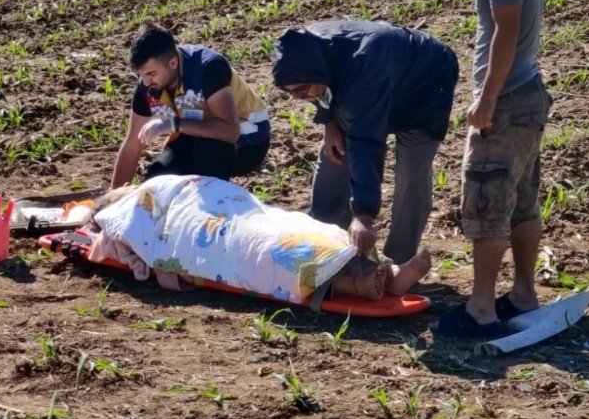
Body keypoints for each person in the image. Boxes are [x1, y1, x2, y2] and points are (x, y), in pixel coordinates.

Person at [436, 0, 550, 339]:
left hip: (505, 100)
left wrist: (486, 99)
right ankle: (522, 293)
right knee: (522, 200)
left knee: (487, 199)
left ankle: (481, 308)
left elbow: (506, 27)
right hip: (527, 94)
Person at [271, 19, 458, 264]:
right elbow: (324, 90)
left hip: (426, 85)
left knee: (412, 173)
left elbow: (367, 144)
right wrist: (329, 121)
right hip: (376, 76)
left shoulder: (362, 70)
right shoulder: (306, 49)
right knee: (335, 151)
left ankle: (398, 262)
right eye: (290, 92)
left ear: (316, 73)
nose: (298, 98)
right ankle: (323, 248)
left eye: (302, 90)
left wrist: (364, 215)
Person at [88, 174, 431, 304]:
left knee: (300, 228)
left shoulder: (164, 181)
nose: (123, 187)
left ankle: (388, 273)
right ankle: (353, 284)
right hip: (213, 229)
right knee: (268, 248)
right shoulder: (130, 205)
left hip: (240, 209)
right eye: (117, 191)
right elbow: (124, 227)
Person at [111, 23, 270, 188]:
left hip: (248, 141)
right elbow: (131, 146)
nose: (145, 82)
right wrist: (113, 201)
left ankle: (217, 206)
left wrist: (174, 124)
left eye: (151, 74)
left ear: (173, 63)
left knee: (205, 155)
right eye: (141, 75)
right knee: (156, 183)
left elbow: (230, 131)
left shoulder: (208, 68)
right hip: (193, 134)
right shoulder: (147, 86)